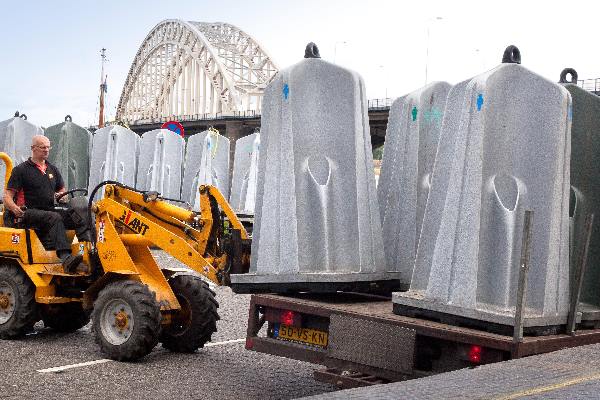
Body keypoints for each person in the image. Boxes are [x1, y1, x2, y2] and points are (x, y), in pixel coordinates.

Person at [3, 135, 89, 273]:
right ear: (33, 148)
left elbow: (62, 190)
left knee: (77, 213)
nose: (46, 150)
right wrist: (14, 208)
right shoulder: (21, 170)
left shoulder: (52, 169)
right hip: (27, 213)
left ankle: (90, 250)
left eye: (48, 147)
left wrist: (61, 196)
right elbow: (7, 196)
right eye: (43, 147)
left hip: (48, 210)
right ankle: (66, 258)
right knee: (54, 217)